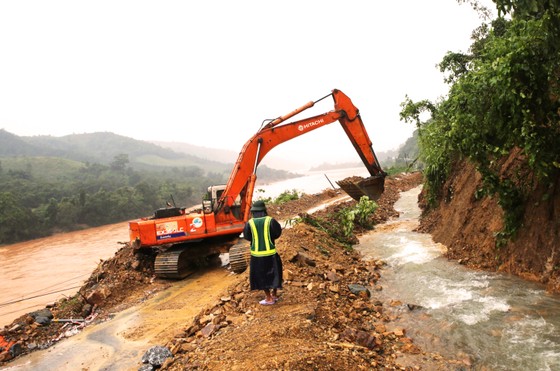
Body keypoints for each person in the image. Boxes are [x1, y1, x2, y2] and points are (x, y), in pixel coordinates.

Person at [243, 200, 283, 305]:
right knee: (275, 273)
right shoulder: (271, 221)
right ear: (264, 210)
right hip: (271, 254)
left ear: (253, 211)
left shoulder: (250, 223)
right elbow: (277, 233)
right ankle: (274, 294)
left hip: (257, 255)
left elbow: (247, 236)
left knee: (262, 276)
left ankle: (268, 298)